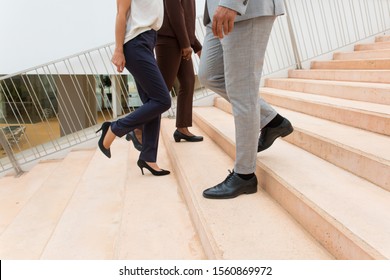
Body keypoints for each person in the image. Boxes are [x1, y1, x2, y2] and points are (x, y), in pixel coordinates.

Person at [198, 0, 293, 199]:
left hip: (243, 9)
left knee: (242, 91)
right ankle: (273, 121)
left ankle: (245, 175)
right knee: (210, 76)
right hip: (216, 10)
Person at [96, 0, 171, 176]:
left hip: (149, 41)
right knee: (162, 100)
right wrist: (118, 50)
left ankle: (148, 158)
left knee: (152, 102)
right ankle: (115, 128)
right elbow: (121, 14)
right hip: (136, 42)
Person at [125, 0, 203, 150]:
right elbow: (174, 13)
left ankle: (182, 128)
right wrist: (186, 44)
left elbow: (186, 18)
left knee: (188, 82)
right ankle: (138, 128)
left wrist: (195, 45)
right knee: (161, 91)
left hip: (181, 40)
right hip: (169, 40)